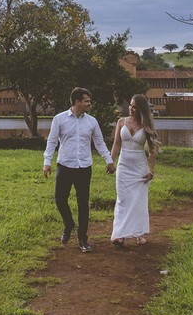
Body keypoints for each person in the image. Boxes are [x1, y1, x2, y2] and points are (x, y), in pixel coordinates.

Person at [42, 87, 114, 253]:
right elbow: (52, 141)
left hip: (84, 167)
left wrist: (109, 160)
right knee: (60, 199)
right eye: (86, 101)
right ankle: (69, 224)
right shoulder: (59, 119)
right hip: (65, 165)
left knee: (83, 204)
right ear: (77, 102)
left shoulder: (92, 122)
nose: (89, 103)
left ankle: (83, 239)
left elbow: (99, 142)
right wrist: (47, 162)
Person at [109, 93, 161, 247]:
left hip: (139, 167)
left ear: (141, 110)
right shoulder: (121, 122)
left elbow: (152, 151)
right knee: (122, 200)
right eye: (131, 106)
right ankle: (120, 235)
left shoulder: (146, 126)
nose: (131, 109)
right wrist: (110, 162)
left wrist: (152, 170)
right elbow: (117, 144)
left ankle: (139, 234)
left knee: (138, 202)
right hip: (123, 166)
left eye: (135, 108)